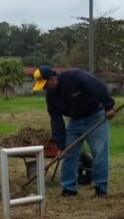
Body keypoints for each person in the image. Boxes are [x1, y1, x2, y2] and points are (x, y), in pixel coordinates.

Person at [33, 64, 116, 198]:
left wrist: (109, 107)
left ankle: (101, 188)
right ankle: (69, 189)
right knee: (68, 153)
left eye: (45, 85)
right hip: (75, 121)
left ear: (52, 79)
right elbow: (56, 121)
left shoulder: (75, 77)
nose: (44, 89)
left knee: (99, 152)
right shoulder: (50, 97)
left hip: (95, 116)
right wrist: (60, 146)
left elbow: (99, 87)